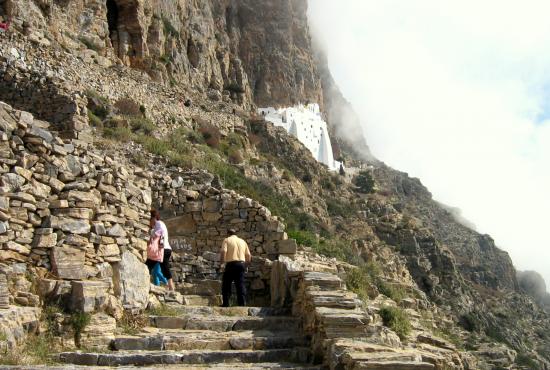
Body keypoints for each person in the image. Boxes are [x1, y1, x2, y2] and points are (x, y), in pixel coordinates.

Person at [219, 228, 251, 307]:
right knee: (240, 284)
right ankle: (242, 304)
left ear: (228, 234)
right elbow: (248, 255)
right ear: (236, 234)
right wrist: (246, 266)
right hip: (241, 264)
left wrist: (222, 264)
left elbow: (223, 252)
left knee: (226, 284)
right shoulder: (242, 241)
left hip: (231, 264)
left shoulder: (226, 240)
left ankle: (226, 304)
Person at [146, 209, 175, 291]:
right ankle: (171, 287)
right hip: (166, 249)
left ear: (153, 218)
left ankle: (144, 285)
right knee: (164, 268)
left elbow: (160, 232)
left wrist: (152, 235)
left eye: (149, 219)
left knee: (148, 265)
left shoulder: (158, 223)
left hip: (162, 249)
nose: (149, 222)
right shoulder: (160, 224)